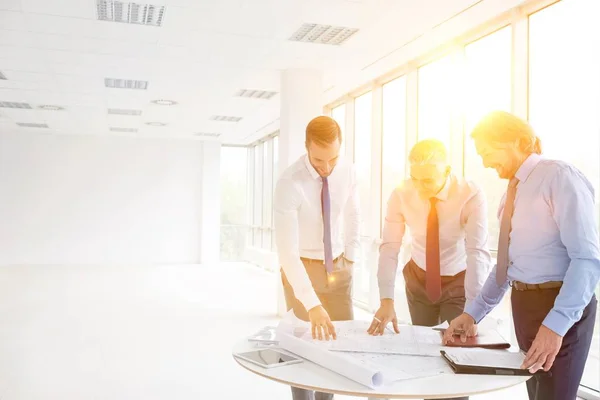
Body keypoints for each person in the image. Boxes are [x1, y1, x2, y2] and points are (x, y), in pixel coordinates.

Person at [443, 111, 600, 400]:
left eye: (488, 152)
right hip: (524, 305)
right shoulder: (511, 193)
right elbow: (506, 266)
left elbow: (587, 259)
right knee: (537, 395)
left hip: (560, 306)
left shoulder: (559, 176)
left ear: (516, 141)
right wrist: (472, 314)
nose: (486, 162)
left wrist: (556, 325)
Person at [370, 139, 491, 400]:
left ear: (446, 172)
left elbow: (477, 252)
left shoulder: (470, 193)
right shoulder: (401, 194)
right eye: (414, 178)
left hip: (458, 281)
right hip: (418, 279)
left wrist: (473, 310)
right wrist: (386, 299)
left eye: (427, 180)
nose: (419, 186)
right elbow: (390, 246)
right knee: (425, 359)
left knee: (455, 360)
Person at [274, 115, 360, 400]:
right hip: (302, 269)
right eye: (318, 160)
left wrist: (350, 258)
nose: (326, 168)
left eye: (332, 159)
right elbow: (286, 251)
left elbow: (353, 214)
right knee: (300, 356)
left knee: (336, 349)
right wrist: (312, 304)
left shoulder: (347, 171)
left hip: (337, 268)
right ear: (306, 147)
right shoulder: (289, 181)